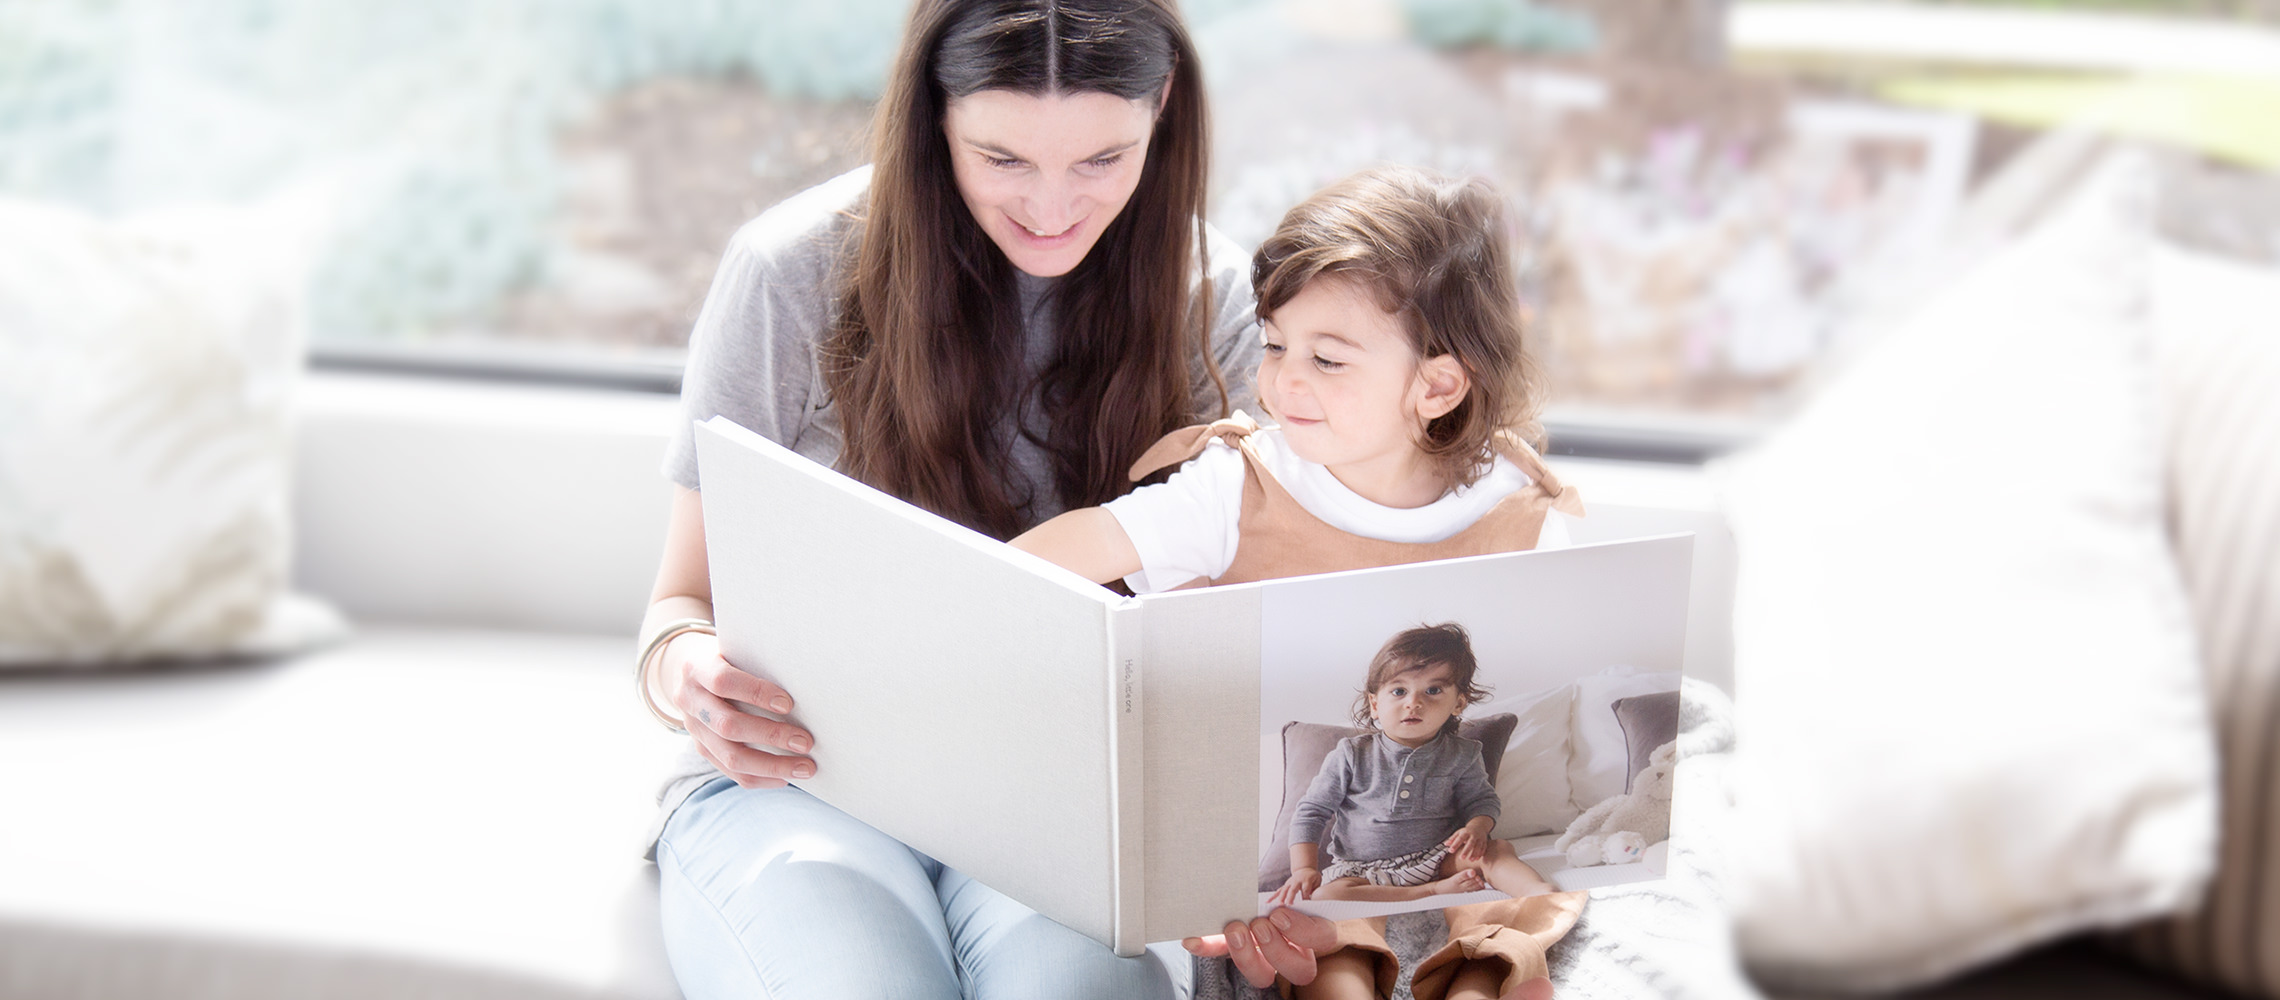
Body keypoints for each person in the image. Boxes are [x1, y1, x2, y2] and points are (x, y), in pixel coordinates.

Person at [630, 1, 1331, 996]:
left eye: (1102, 160)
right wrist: (688, 675)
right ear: (933, 117)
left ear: (1163, 106)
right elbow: (676, 605)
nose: (1052, 208)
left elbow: (1245, 630)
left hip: (1066, 803)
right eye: (1002, 159)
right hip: (801, 784)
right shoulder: (791, 272)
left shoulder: (1208, 295)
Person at [1010, 165, 1587, 1000]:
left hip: (1450, 803)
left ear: (1436, 385)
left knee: (1517, 877)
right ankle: (1345, 977)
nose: (1283, 380)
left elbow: (1553, 669)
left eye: (1327, 358)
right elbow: (1091, 540)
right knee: (1326, 903)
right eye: (1276, 344)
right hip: (1284, 808)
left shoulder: (1515, 507)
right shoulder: (1242, 482)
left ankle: (1488, 970)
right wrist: (979, 595)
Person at [1272, 623, 1559, 909]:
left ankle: (1538, 892)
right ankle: (1431, 893)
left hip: (1437, 859)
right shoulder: (1351, 754)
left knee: (1497, 850)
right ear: (1374, 704)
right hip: (1363, 871)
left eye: (1432, 690)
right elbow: (1311, 812)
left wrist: (1477, 828)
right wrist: (1304, 869)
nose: (1414, 703)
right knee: (1327, 895)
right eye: (1399, 691)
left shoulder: (1462, 753)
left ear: (1458, 704)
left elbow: (1482, 801)